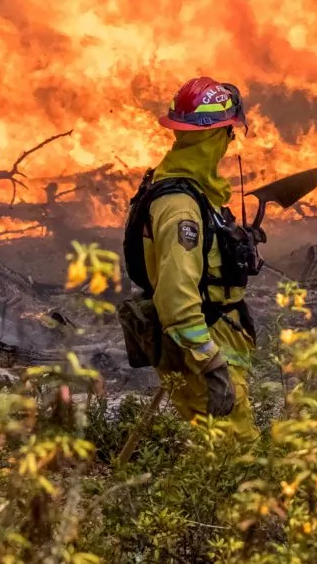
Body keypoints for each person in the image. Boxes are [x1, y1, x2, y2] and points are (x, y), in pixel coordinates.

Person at [124, 76, 259, 432]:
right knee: (234, 458)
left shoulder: (194, 191)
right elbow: (178, 299)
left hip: (217, 338)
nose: (229, 143)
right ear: (215, 136)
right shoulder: (181, 208)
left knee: (223, 453)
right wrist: (211, 365)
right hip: (204, 349)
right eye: (228, 133)